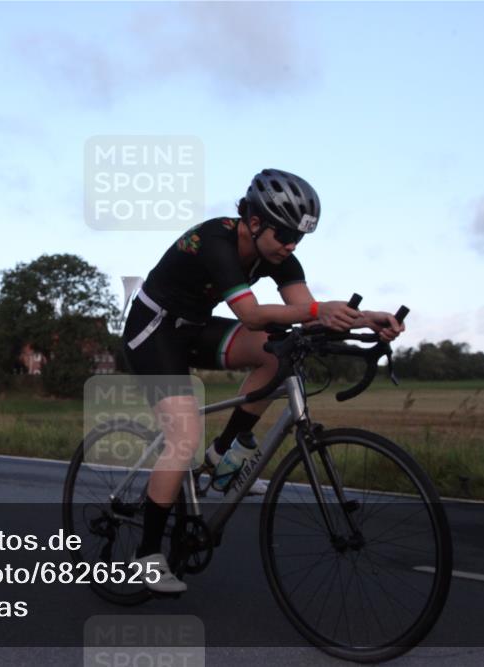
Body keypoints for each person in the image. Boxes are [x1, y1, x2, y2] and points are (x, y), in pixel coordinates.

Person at [121, 168, 405, 593]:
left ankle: (220, 454)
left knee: (277, 353)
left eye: (299, 239)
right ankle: (146, 556)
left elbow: (309, 312)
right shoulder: (216, 240)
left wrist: (367, 319)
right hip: (153, 329)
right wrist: (317, 312)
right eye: (285, 236)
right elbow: (252, 315)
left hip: (195, 326)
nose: (291, 246)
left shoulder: (279, 256)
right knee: (183, 434)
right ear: (255, 222)